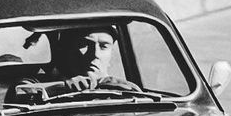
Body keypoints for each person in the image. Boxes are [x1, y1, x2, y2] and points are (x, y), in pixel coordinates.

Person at [12, 27, 140, 101]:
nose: (95, 54)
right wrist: (64, 87)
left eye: (104, 46)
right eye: (84, 45)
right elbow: (19, 92)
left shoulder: (125, 88)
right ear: (67, 50)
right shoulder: (37, 81)